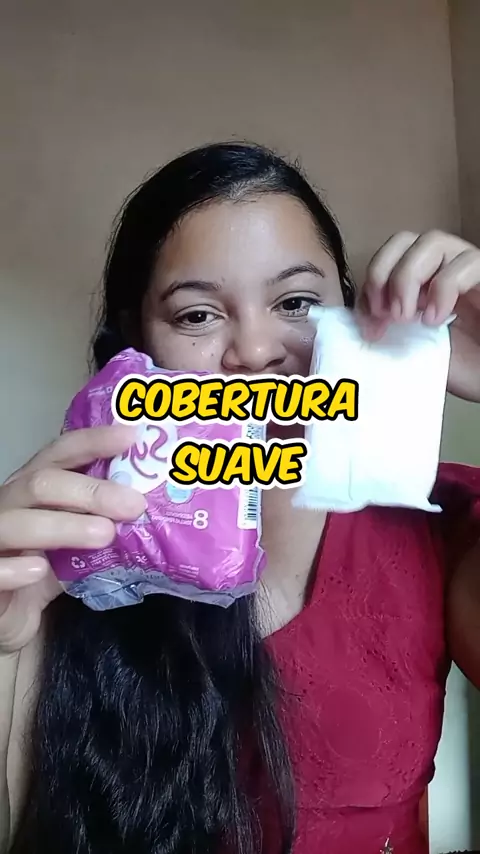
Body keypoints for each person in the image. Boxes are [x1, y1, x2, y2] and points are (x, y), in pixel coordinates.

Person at [1, 142, 480, 854]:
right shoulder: (69, 548)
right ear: (137, 343)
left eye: (296, 303)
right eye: (197, 315)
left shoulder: (434, 520)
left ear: (350, 318)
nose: (255, 353)